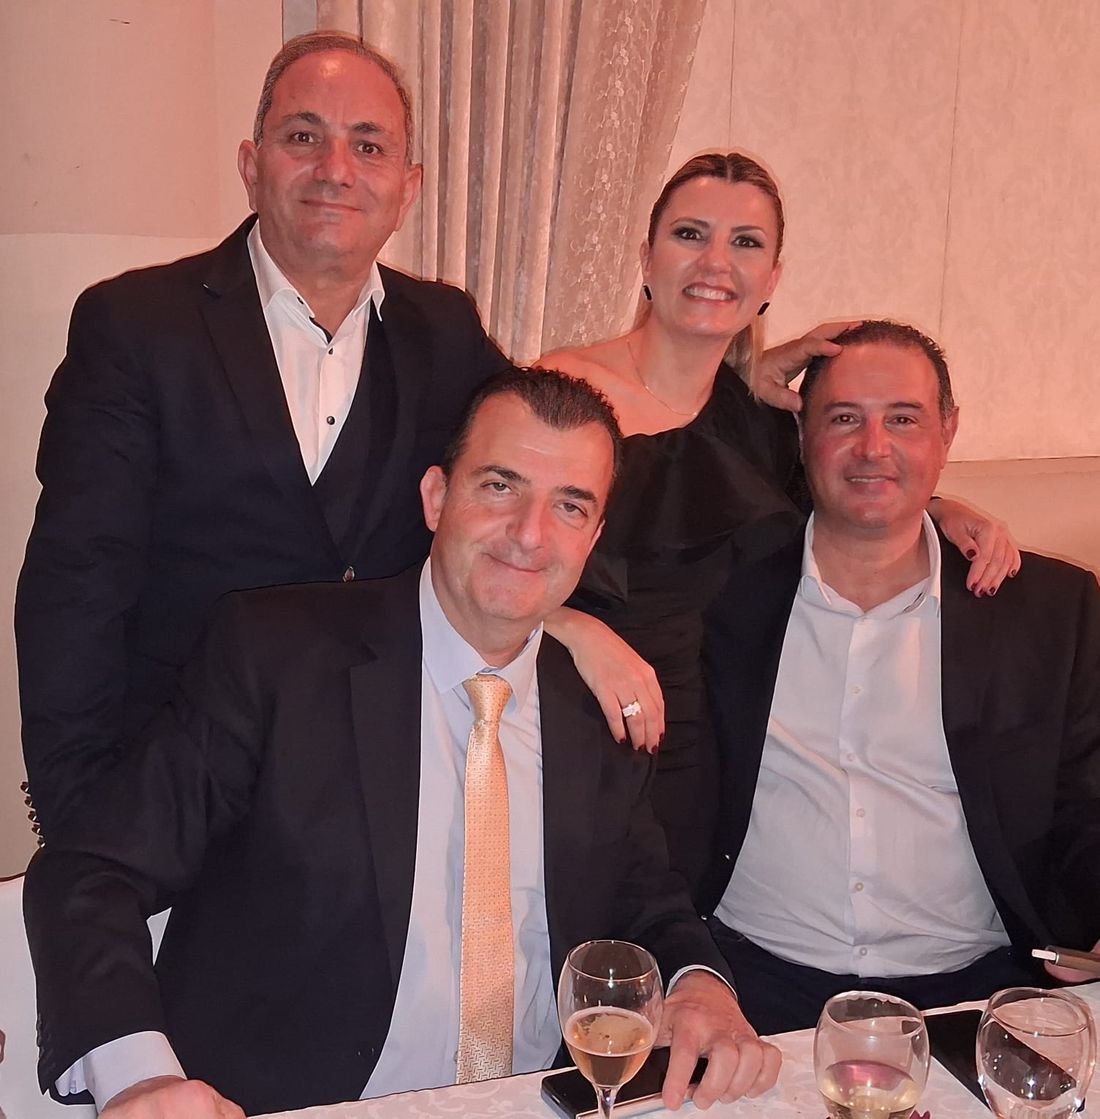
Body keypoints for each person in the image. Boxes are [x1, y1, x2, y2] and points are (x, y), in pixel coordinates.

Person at [24, 370, 781, 1119]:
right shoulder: (277, 658)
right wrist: (139, 1076)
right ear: (436, 497)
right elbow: (93, 869)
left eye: (570, 506)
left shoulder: (599, 705)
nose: (530, 533)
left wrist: (698, 982)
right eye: (500, 486)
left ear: (595, 537)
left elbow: (645, 898)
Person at [15, 31, 510, 838]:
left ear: (409, 187)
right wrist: (80, 822)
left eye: (369, 146)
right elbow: (76, 586)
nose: (336, 169)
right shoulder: (136, 326)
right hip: (178, 791)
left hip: (381, 792)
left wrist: (572, 622)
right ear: (252, 166)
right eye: (303, 136)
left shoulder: (444, 330)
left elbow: (542, 465)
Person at [540, 153, 1019, 890]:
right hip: (572, 714)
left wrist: (942, 506)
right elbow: (467, 555)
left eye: (745, 243)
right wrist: (573, 627)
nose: (715, 263)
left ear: (772, 280)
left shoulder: (761, 427)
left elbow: (842, 505)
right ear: (646, 257)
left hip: (707, 758)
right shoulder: (563, 390)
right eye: (690, 234)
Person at [700, 320, 1100, 1035]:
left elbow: (1087, 802)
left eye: (904, 419)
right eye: (844, 418)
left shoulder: (1052, 610)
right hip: (748, 988)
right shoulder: (720, 591)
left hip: (976, 992)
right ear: (803, 436)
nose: (873, 447)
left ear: (948, 432)